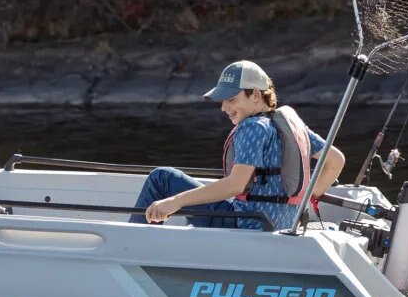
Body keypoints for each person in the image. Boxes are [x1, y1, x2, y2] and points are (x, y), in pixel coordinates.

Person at [130, 60, 345, 231]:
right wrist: (306, 197)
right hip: (280, 224)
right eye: (222, 101)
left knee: (162, 177)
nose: (224, 107)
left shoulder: (251, 127)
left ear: (256, 95)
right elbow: (336, 161)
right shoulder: (289, 125)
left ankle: (131, 246)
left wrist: (175, 201)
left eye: (231, 99)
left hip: (245, 224)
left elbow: (235, 185)